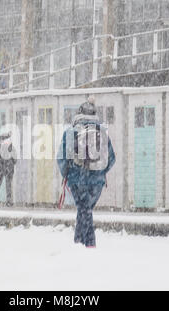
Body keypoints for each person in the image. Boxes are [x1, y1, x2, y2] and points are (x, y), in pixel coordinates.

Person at [57, 97, 116, 248]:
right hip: (96, 182)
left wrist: (68, 175)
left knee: (84, 210)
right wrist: (100, 172)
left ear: (79, 114)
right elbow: (112, 158)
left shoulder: (71, 132)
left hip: (77, 179)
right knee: (86, 210)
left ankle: (84, 244)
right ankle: (85, 244)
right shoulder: (102, 133)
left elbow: (61, 159)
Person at [0, 132, 17, 206]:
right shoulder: (11, 146)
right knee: (8, 185)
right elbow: (15, 158)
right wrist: (11, 163)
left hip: (0, 168)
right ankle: (8, 201)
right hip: (9, 168)